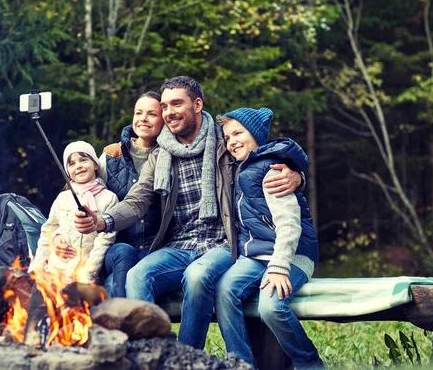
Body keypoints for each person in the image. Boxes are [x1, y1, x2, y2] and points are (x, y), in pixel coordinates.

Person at [74, 76, 302, 350]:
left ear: (197, 104)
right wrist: (101, 220)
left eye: (177, 104)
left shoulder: (223, 142)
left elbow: (263, 156)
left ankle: (187, 356)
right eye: (165, 106)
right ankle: (154, 354)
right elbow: (137, 200)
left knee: (196, 277)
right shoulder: (161, 155)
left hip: (223, 243)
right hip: (179, 244)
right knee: (137, 275)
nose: (169, 112)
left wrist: (297, 174)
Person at [215, 107, 323, 369]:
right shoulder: (241, 169)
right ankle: (242, 364)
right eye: (227, 137)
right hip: (256, 255)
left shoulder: (272, 170)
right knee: (224, 291)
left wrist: (278, 268)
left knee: (271, 308)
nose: (232, 142)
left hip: (292, 255)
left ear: (255, 134)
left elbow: (289, 224)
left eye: (238, 133)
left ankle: (309, 363)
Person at [97, 91, 164, 297]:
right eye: (138, 113)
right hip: (117, 250)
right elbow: (86, 196)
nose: (143, 119)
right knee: (113, 284)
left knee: (126, 283)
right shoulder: (110, 155)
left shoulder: (169, 157)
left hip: (154, 249)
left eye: (152, 114)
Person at [29, 141, 118, 284]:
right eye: (72, 164)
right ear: (68, 172)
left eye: (83, 160)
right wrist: (38, 267)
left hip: (84, 276)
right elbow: (48, 230)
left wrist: (88, 273)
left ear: (95, 164)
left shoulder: (109, 198)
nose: (79, 166)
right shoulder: (63, 197)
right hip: (55, 271)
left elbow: (105, 240)